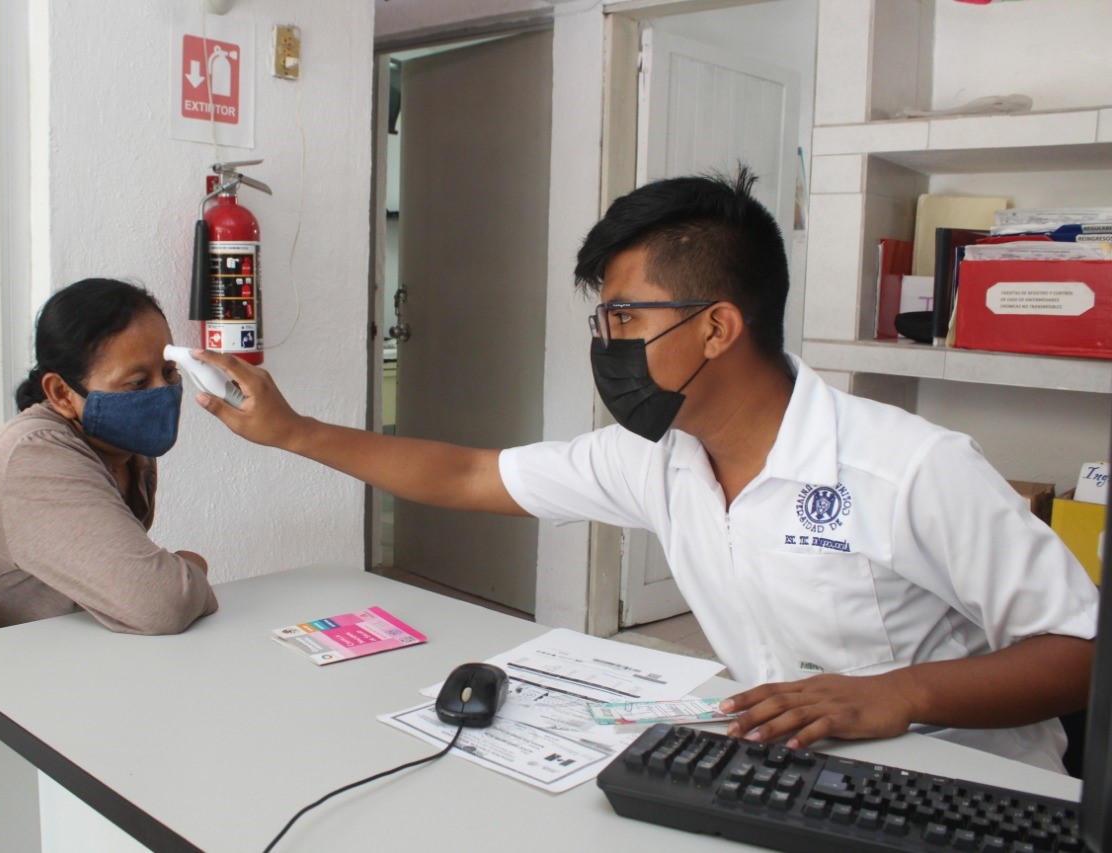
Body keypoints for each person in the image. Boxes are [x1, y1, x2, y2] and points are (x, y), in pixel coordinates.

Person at [194, 169, 1096, 773]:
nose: (606, 345)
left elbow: (1080, 653)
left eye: (624, 318)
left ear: (717, 326)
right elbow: (474, 475)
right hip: (788, 777)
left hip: (973, 794)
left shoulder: (910, 466)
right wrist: (293, 431)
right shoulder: (654, 458)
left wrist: (899, 695)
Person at [0, 279, 217, 644]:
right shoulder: (36, 457)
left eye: (168, 373)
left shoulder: (123, 450)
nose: (162, 392)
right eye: (137, 383)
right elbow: (161, 604)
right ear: (61, 393)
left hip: (47, 663)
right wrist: (192, 566)